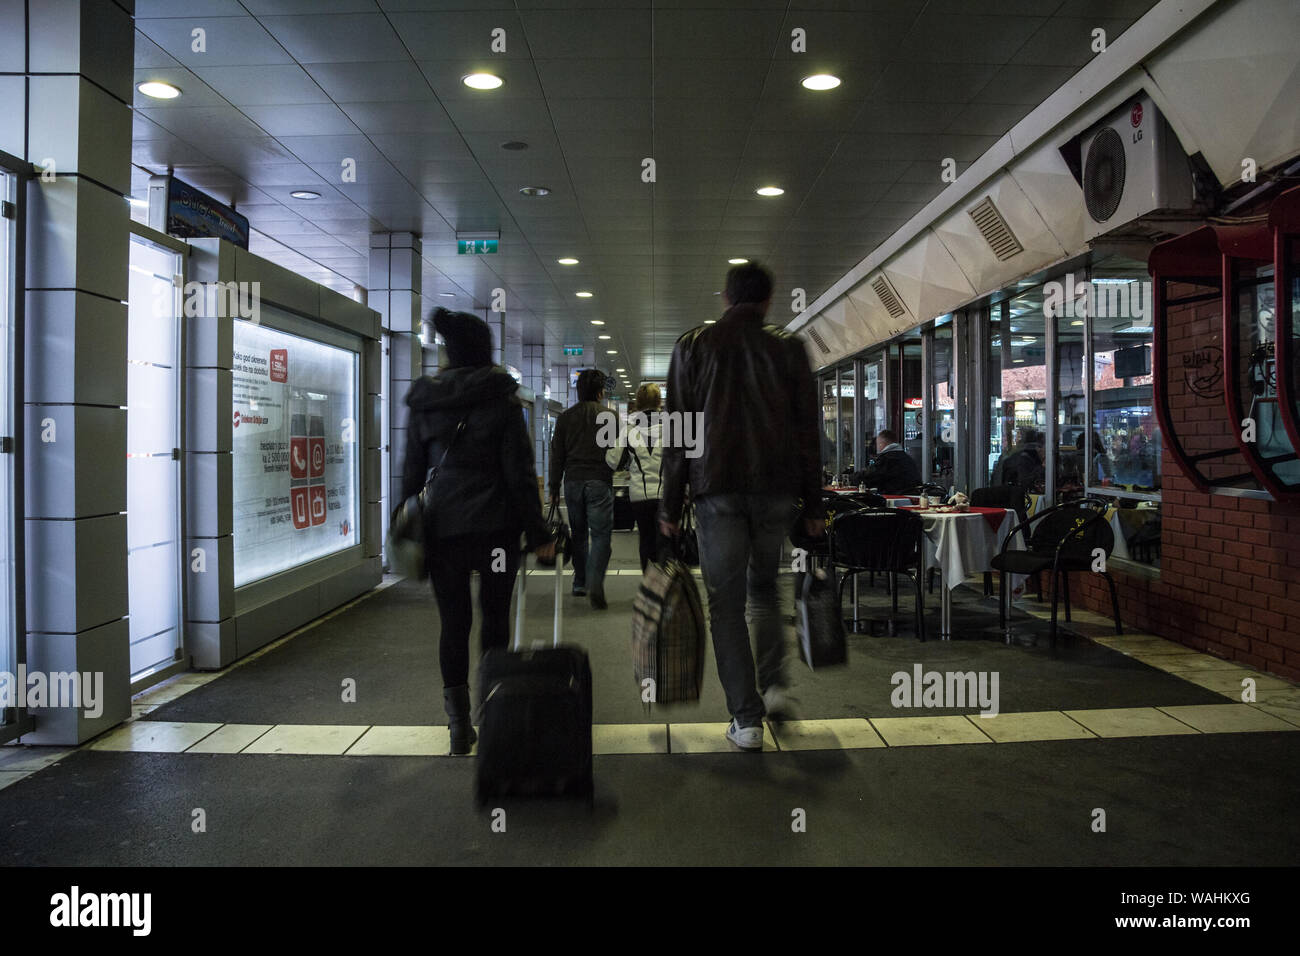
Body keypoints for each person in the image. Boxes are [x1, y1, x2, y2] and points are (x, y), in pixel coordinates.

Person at [658, 262, 824, 752]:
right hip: (776, 491)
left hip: (717, 491)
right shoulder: (789, 347)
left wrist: (669, 502)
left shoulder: (693, 345)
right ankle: (773, 686)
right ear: (768, 301)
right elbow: (807, 435)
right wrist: (814, 504)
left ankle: (746, 719)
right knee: (765, 590)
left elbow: (678, 434)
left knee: (725, 604)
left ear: (725, 299)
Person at [403, 308, 555, 755]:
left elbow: (411, 472)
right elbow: (520, 475)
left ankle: (457, 727)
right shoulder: (502, 400)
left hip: (442, 528)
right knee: (494, 618)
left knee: (453, 623)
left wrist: (404, 518)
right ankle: (491, 714)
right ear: (485, 349)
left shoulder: (425, 401)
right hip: (496, 532)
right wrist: (539, 531)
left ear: (449, 352)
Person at [550, 369, 614, 609]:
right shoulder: (608, 416)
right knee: (600, 536)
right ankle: (596, 581)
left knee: (579, 534)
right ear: (600, 392)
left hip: (573, 481)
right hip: (599, 479)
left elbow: (557, 455)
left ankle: (580, 582)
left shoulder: (565, 418)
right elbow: (616, 450)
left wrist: (554, 487)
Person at [606, 383, 665, 573]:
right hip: (665, 495)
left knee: (645, 540)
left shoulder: (629, 430)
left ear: (638, 404)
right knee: (665, 542)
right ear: (659, 402)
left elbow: (612, 460)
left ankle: (649, 587)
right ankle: (666, 589)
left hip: (639, 495)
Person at [853, 429, 921, 492]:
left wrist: (851, 477)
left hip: (894, 499)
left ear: (881, 444)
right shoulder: (907, 458)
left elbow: (867, 477)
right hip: (911, 498)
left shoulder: (887, 460)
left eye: (877, 444)